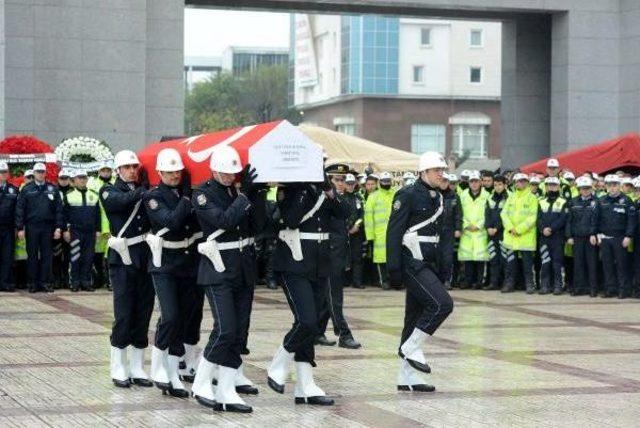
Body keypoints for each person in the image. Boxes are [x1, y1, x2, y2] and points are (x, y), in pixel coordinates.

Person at [190, 145, 266, 413]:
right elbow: (223, 221)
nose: (229, 176)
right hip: (218, 269)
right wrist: (244, 196)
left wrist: (258, 195)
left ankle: (226, 389)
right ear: (214, 169)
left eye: (233, 173)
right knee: (226, 329)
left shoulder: (237, 191)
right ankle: (201, 381)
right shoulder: (201, 193)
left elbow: (258, 226)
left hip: (243, 268)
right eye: (225, 172)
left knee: (238, 333)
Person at [266, 170, 349, 407]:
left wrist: (329, 189)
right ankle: (279, 363)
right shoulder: (290, 188)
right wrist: (304, 187)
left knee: (309, 326)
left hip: (319, 264)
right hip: (294, 263)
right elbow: (291, 219)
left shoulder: (321, 189)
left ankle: (305, 386)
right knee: (307, 321)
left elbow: (344, 213)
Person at [387, 151, 454, 393]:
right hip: (411, 262)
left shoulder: (439, 197)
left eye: (442, 170)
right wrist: (393, 268)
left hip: (429, 262)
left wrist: (446, 267)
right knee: (442, 304)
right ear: (424, 172)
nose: (441, 174)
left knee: (413, 318)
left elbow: (441, 235)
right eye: (437, 170)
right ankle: (410, 348)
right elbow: (394, 232)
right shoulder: (406, 194)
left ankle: (406, 377)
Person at [143, 148, 201, 399]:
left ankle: (173, 373)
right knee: (170, 315)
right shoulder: (153, 196)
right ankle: (158, 367)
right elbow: (172, 221)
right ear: (159, 173)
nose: (174, 174)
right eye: (169, 171)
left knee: (184, 318)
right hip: (164, 263)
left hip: (186, 263)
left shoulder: (186, 193)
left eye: (177, 170)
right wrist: (187, 199)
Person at [101, 150, 154, 389]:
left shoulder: (141, 190)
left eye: (135, 166)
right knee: (124, 313)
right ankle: (118, 366)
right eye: (127, 167)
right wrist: (142, 191)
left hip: (144, 255)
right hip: (123, 258)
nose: (132, 170)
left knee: (143, 311)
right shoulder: (109, 190)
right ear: (118, 170)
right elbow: (119, 203)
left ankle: (136, 365)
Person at [317, 165, 361, 349]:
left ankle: (317, 332)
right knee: (335, 296)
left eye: (343, 180)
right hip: (328, 254)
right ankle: (344, 333)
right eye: (337, 180)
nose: (341, 184)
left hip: (339, 253)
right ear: (328, 181)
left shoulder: (343, 200)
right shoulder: (324, 200)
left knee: (329, 296)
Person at [15, 162, 64, 293]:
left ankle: (46, 283)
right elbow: (20, 209)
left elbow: (59, 210)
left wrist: (58, 228)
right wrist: (20, 228)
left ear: (45, 173)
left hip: (48, 227)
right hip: (32, 227)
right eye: (38, 172)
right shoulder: (26, 189)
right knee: (32, 256)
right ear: (34, 173)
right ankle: (32, 283)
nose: (40, 174)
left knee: (47, 256)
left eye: (42, 172)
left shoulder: (53, 188)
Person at [597, 174, 636, 299]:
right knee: (607, 265)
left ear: (619, 186)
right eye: (609, 185)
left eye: (615, 185)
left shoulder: (627, 200)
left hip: (620, 238)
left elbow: (631, 220)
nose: (612, 188)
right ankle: (610, 289)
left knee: (621, 265)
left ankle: (623, 290)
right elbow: (597, 219)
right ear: (606, 186)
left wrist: (628, 236)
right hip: (605, 238)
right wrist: (597, 234)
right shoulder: (602, 200)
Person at [63, 169, 101, 292]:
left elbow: (97, 214)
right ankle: (75, 282)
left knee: (88, 257)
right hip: (75, 231)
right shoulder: (68, 195)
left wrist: (98, 230)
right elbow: (64, 215)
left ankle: (85, 282)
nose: (83, 180)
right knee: (75, 257)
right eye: (80, 178)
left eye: (84, 177)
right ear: (74, 180)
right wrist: (66, 230)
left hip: (90, 232)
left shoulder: (94, 195)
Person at [501, 173, 539, 293]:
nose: (520, 183)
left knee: (527, 264)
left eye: (523, 181)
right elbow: (504, 213)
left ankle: (529, 284)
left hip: (525, 236)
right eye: (518, 181)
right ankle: (510, 283)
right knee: (510, 263)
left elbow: (533, 217)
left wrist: (518, 229)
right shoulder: (511, 197)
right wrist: (510, 228)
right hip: (511, 236)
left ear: (527, 183)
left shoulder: (532, 198)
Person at [566, 176, 599, 297]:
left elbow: (596, 220)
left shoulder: (596, 202)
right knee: (578, 263)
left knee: (592, 264)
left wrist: (593, 233)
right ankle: (578, 288)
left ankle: (592, 289)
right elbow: (569, 220)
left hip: (590, 237)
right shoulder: (573, 202)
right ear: (579, 189)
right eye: (582, 188)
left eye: (587, 188)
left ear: (591, 188)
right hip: (577, 237)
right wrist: (569, 236)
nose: (585, 190)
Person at [458, 171, 490, 289]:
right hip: (466, 231)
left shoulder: (487, 196)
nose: (474, 184)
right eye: (472, 181)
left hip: (480, 231)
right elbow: (459, 212)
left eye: (476, 181)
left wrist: (479, 225)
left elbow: (488, 213)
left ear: (480, 182)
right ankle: (468, 280)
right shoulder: (463, 195)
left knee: (480, 258)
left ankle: (479, 281)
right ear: (469, 183)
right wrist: (466, 224)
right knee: (468, 258)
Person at [364, 171, 396, 289]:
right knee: (381, 259)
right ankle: (384, 281)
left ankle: (395, 281)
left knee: (394, 258)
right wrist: (370, 236)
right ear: (380, 182)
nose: (386, 183)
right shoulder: (373, 197)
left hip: (394, 233)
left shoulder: (395, 194)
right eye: (384, 181)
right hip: (379, 234)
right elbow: (368, 218)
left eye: (388, 181)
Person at [537, 177, 568, 295]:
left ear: (559, 187)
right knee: (545, 261)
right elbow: (538, 218)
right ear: (546, 187)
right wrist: (543, 229)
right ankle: (545, 285)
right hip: (544, 237)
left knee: (557, 262)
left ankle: (558, 285)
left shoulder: (564, 201)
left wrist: (551, 228)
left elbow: (563, 218)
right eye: (549, 185)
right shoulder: (541, 201)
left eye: (554, 185)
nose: (552, 187)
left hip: (557, 236)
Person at [89, 161, 116, 290]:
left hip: (113, 224)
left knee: (110, 253)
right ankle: (98, 279)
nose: (106, 173)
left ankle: (110, 281)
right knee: (97, 254)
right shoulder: (93, 183)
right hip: (99, 223)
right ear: (99, 171)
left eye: (108, 170)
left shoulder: (115, 183)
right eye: (103, 170)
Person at [484, 174, 509, 291]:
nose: (498, 187)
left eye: (500, 184)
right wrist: (488, 227)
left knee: (504, 259)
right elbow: (487, 214)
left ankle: (505, 283)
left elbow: (506, 216)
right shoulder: (490, 198)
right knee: (493, 259)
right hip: (491, 233)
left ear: (505, 185)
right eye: (495, 185)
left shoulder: (509, 198)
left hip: (503, 233)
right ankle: (493, 283)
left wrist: (497, 228)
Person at [344, 173, 365, 289]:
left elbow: (362, 214)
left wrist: (356, 226)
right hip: (344, 232)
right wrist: (346, 228)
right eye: (348, 184)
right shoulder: (340, 197)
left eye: (352, 184)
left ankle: (357, 282)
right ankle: (344, 281)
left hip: (356, 232)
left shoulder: (358, 198)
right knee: (344, 257)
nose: (350, 186)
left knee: (357, 257)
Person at [53, 168, 73, 289]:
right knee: (56, 255)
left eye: (66, 178)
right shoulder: (54, 191)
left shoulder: (73, 191)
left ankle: (66, 279)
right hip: (57, 228)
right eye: (62, 178)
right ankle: (56, 279)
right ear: (58, 179)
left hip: (69, 229)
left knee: (68, 256)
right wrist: (59, 228)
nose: (64, 180)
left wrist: (68, 229)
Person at [0, 161, 18, 292]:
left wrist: (18, 227)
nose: (3, 174)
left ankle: (5, 282)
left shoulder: (13, 190)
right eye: (1, 172)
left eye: (5, 171)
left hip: (8, 228)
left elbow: (18, 211)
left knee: (7, 256)